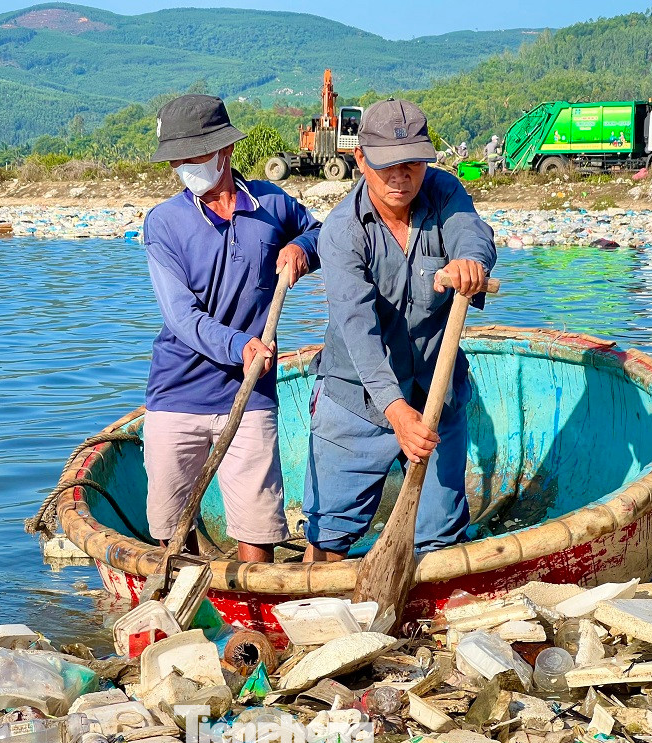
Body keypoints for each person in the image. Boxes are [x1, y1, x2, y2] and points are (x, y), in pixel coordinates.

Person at [302, 99, 497, 562]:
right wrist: (396, 411)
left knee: (440, 537)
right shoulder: (342, 231)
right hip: (356, 397)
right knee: (328, 536)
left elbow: (472, 232)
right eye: (386, 164)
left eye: (411, 163)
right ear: (360, 158)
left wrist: (470, 262)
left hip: (434, 390)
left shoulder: (443, 191)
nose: (399, 177)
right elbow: (359, 333)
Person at [143, 95, 320, 563]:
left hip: (251, 390)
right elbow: (181, 317)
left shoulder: (272, 204)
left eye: (193, 155)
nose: (184, 166)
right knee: (170, 529)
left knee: (258, 529)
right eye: (176, 159)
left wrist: (302, 247)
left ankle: (253, 606)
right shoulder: (164, 223)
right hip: (178, 393)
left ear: (224, 150)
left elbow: (323, 233)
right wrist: (240, 345)